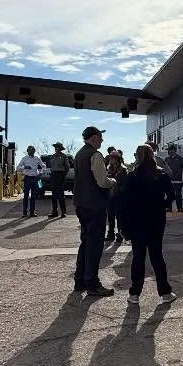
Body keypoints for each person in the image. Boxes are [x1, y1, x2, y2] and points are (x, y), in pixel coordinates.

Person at [121, 144, 175, 305]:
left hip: (136, 221)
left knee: (138, 257)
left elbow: (125, 203)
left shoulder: (132, 176)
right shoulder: (161, 174)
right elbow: (171, 194)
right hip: (156, 220)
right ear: (152, 155)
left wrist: (123, 226)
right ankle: (165, 292)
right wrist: (162, 205)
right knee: (156, 255)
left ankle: (134, 293)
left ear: (137, 156)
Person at [72, 125, 116, 296]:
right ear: (94, 138)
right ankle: (92, 284)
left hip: (81, 204)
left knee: (85, 242)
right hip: (94, 205)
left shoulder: (79, 154)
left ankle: (80, 281)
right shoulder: (95, 155)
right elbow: (102, 182)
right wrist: (113, 182)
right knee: (95, 245)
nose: (102, 141)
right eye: (100, 137)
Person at [104, 147, 128, 244]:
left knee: (119, 217)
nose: (111, 159)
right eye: (111, 158)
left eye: (113, 158)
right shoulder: (108, 168)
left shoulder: (123, 169)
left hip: (119, 196)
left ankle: (120, 235)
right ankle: (110, 234)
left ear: (117, 159)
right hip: (110, 196)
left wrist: (118, 188)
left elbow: (125, 184)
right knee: (110, 216)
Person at [46, 141, 71, 218]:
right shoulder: (52, 156)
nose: (56, 148)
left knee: (60, 195)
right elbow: (49, 165)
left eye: (57, 147)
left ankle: (63, 212)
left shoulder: (64, 156)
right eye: (55, 147)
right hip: (53, 175)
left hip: (60, 175)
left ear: (60, 148)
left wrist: (63, 175)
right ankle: (54, 212)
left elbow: (67, 167)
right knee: (53, 195)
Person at [17, 145, 44, 217]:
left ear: (34, 151)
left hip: (35, 178)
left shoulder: (37, 158)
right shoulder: (24, 158)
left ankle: (32, 212)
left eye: (32, 150)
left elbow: (43, 166)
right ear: (27, 151)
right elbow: (18, 168)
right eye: (29, 150)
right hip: (27, 178)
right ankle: (24, 213)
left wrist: (40, 173)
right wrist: (24, 167)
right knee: (26, 195)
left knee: (33, 196)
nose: (31, 152)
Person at [163, 145, 183, 211]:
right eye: (169, 151)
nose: (169, 152)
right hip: (169, 181)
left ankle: (179, 208)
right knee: (169, 195)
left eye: (170, 150)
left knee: (178, 195)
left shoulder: (180, 159)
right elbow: (164, 169)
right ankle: (169, 207)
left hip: (178, 181)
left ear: (174, 150)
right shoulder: (166, 159)